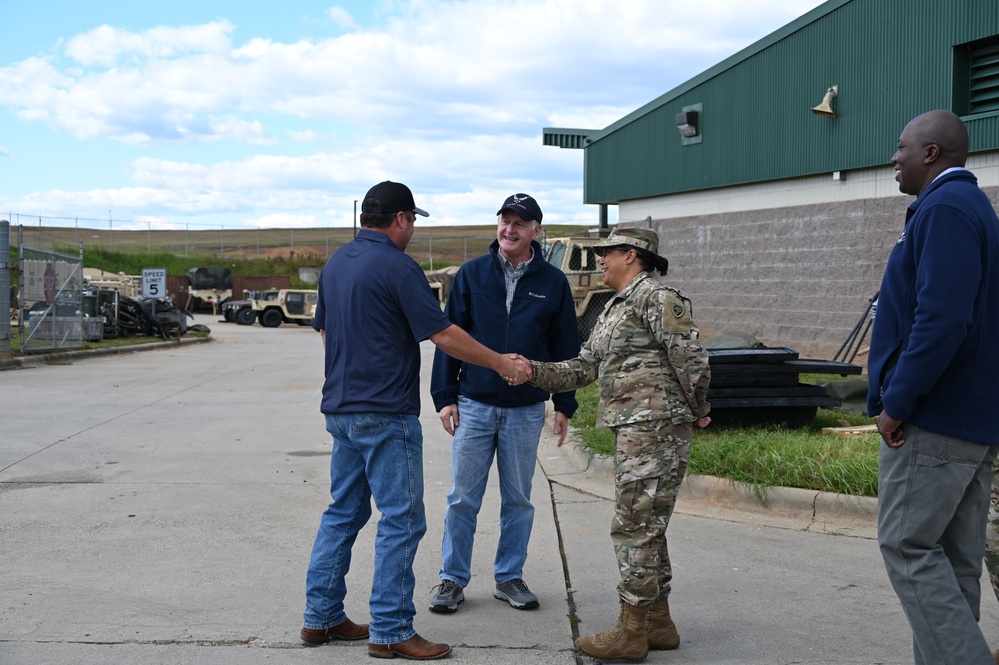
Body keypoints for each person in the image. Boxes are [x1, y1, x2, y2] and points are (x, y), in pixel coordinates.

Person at [301, 180, 530, 660]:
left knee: (342, 513)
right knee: (402, 521)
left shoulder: (337, 263)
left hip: (340, 411)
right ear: (402, 219)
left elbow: (326, 333)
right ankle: (390, 629)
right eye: (413, 221)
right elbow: (444, 335)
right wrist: (500, 362)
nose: (413, 230)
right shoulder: (399, 267)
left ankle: (320, 618)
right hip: (386, 414)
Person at [513, 226, 711, 662]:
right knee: (647, 527)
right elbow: (584, 367)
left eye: (608, 252)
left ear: (633, 255)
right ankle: (658, 623)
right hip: (636, 429)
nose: (600, 260)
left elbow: (691, 359)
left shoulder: (657, 298)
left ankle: (631, 631)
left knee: (634, 527)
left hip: (655, 429)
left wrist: (696, 408)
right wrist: (532, 370)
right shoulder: (616, 308)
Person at [867, 109, 999, 665]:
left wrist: (897, 403)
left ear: (930, 154)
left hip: (934, 420)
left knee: (907, 545)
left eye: (901, 147)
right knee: (954, 559)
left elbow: (942, 320)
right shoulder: (976, 209)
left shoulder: (944, 208)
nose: (893, 158)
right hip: (971, 422)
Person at [428, 194, 581, 614]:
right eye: (504, 220)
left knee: (518, 499)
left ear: (536, 230)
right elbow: (448, 336)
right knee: (463, 498)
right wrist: (445, 396)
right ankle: (451, 580)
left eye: (520, 223)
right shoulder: (472, 274)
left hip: (525, 409)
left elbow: (566, 347)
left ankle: (509, 577)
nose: (509, 230)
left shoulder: (553, 283)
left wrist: (565, 403)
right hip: (474, 403)